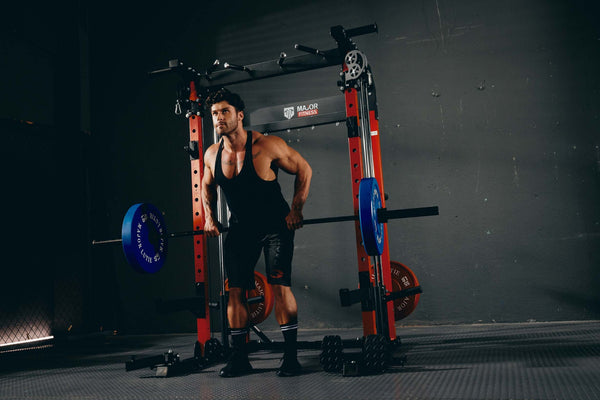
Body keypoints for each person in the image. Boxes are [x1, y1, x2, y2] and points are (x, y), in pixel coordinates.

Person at [201, 88, 312, 377]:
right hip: (241, 230)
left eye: (224, 111)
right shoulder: (212, 154)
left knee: (280, 286)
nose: (219, 118)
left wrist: (296, 209)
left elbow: (304, 169)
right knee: (234, 291)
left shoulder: (267, 146)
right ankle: (239, 359)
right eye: (214, 113)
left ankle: (290, 358)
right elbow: (206, 185)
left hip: (277, 227)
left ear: (239, 115)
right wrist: (210, 219)